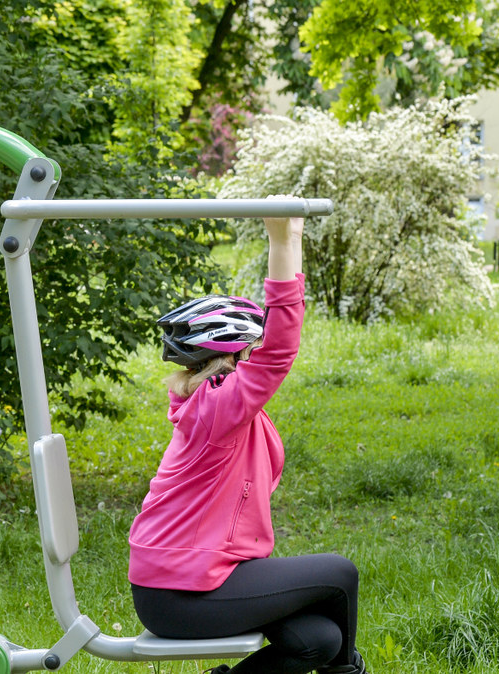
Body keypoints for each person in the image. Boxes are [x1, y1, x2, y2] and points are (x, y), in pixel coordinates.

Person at [127, 203, 367, 674]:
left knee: (320, 639)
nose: (257, 356)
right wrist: (283, 242)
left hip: (202, 579)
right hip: (180, 594)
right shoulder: (219, 405)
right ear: (235, 355)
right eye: (250, 350)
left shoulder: (215, 406)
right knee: (341, 574)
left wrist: (291, 235)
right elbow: (280, 350)